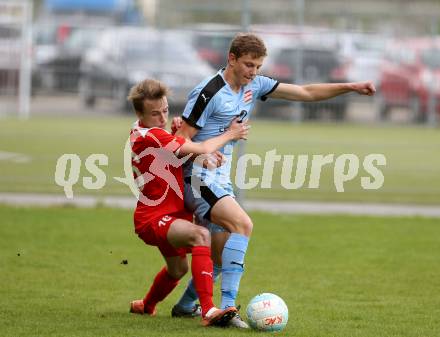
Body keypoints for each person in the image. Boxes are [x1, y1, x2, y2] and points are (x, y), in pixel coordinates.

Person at [172, 32, 376, 328]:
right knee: (243, 225)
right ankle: (228, 310)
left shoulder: (255, 85)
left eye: (257, 66)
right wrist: (203, 153)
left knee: (219, 255)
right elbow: (179, 141)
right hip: (197, 178)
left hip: (220, 178)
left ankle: (185, 304)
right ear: (231, 59)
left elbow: (306, 93)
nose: (253, 72)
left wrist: (351, 86)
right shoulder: (209, 91)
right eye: (248, 65)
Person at [127, 78, 250, 327]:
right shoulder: (151, 136)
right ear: (140, 113)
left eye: (165, 110)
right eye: (155, 114)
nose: (162, 117)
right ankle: (208, 310)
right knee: (201, 235)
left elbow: (176, 156)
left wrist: (194, 152)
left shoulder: (146, 130)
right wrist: (230, 133)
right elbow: (202, 144)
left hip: (172, 214)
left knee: (178, 270)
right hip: (153, 218)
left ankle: (146, 305)